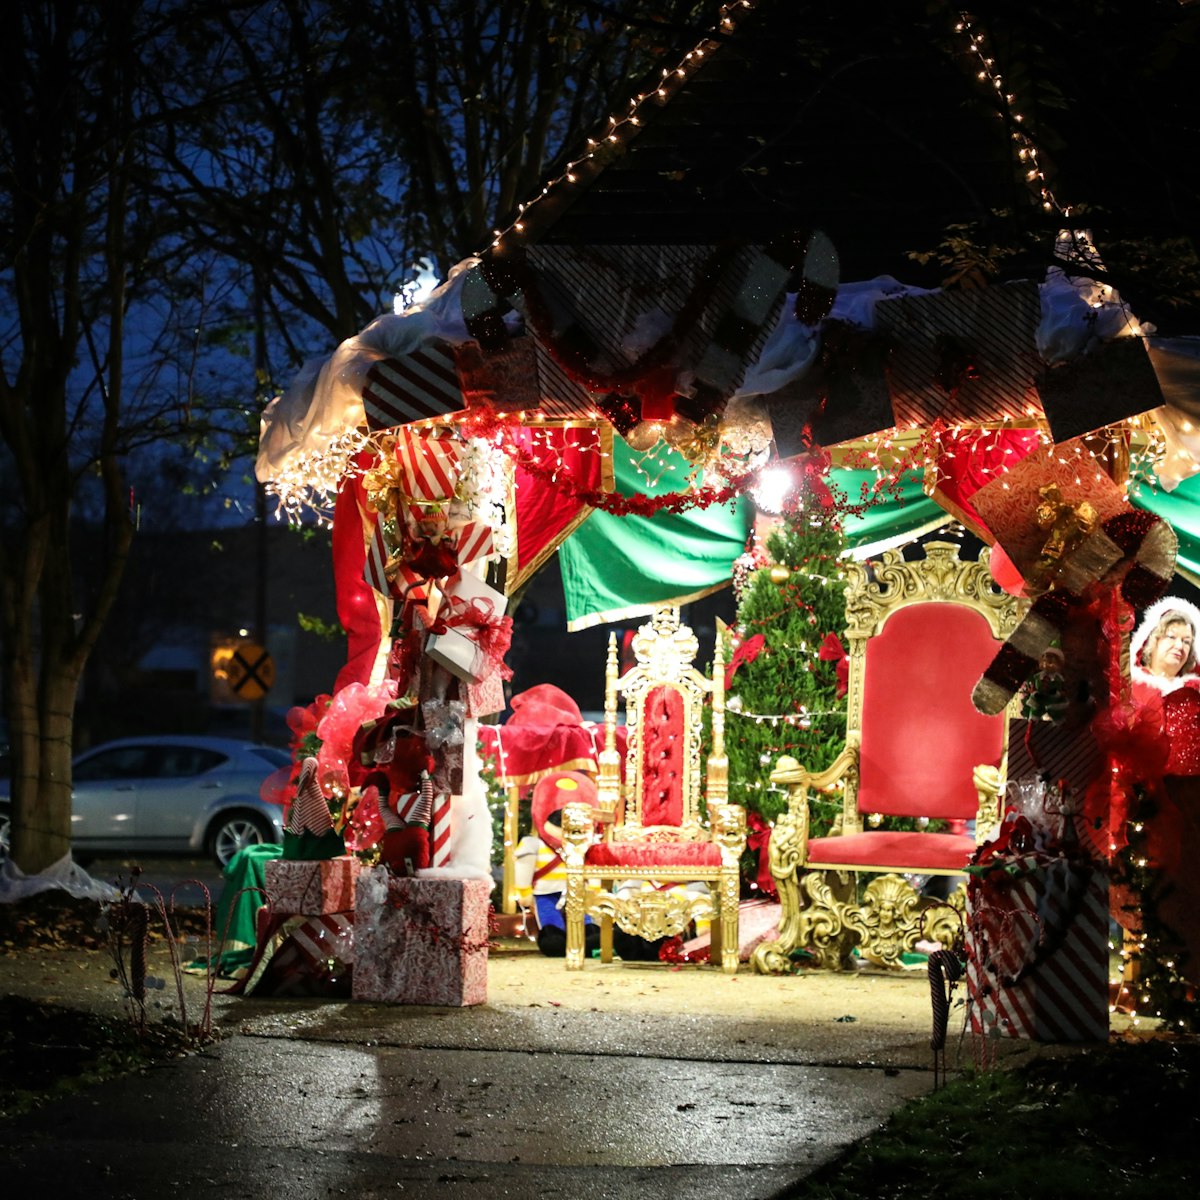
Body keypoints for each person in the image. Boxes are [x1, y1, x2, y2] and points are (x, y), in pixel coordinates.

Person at [1130, 597, 1200, 707]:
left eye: (1186, 642)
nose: (1179, 646)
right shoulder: (1128, 682)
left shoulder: (1194, 693)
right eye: (1171, 637)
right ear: (1153, 640)